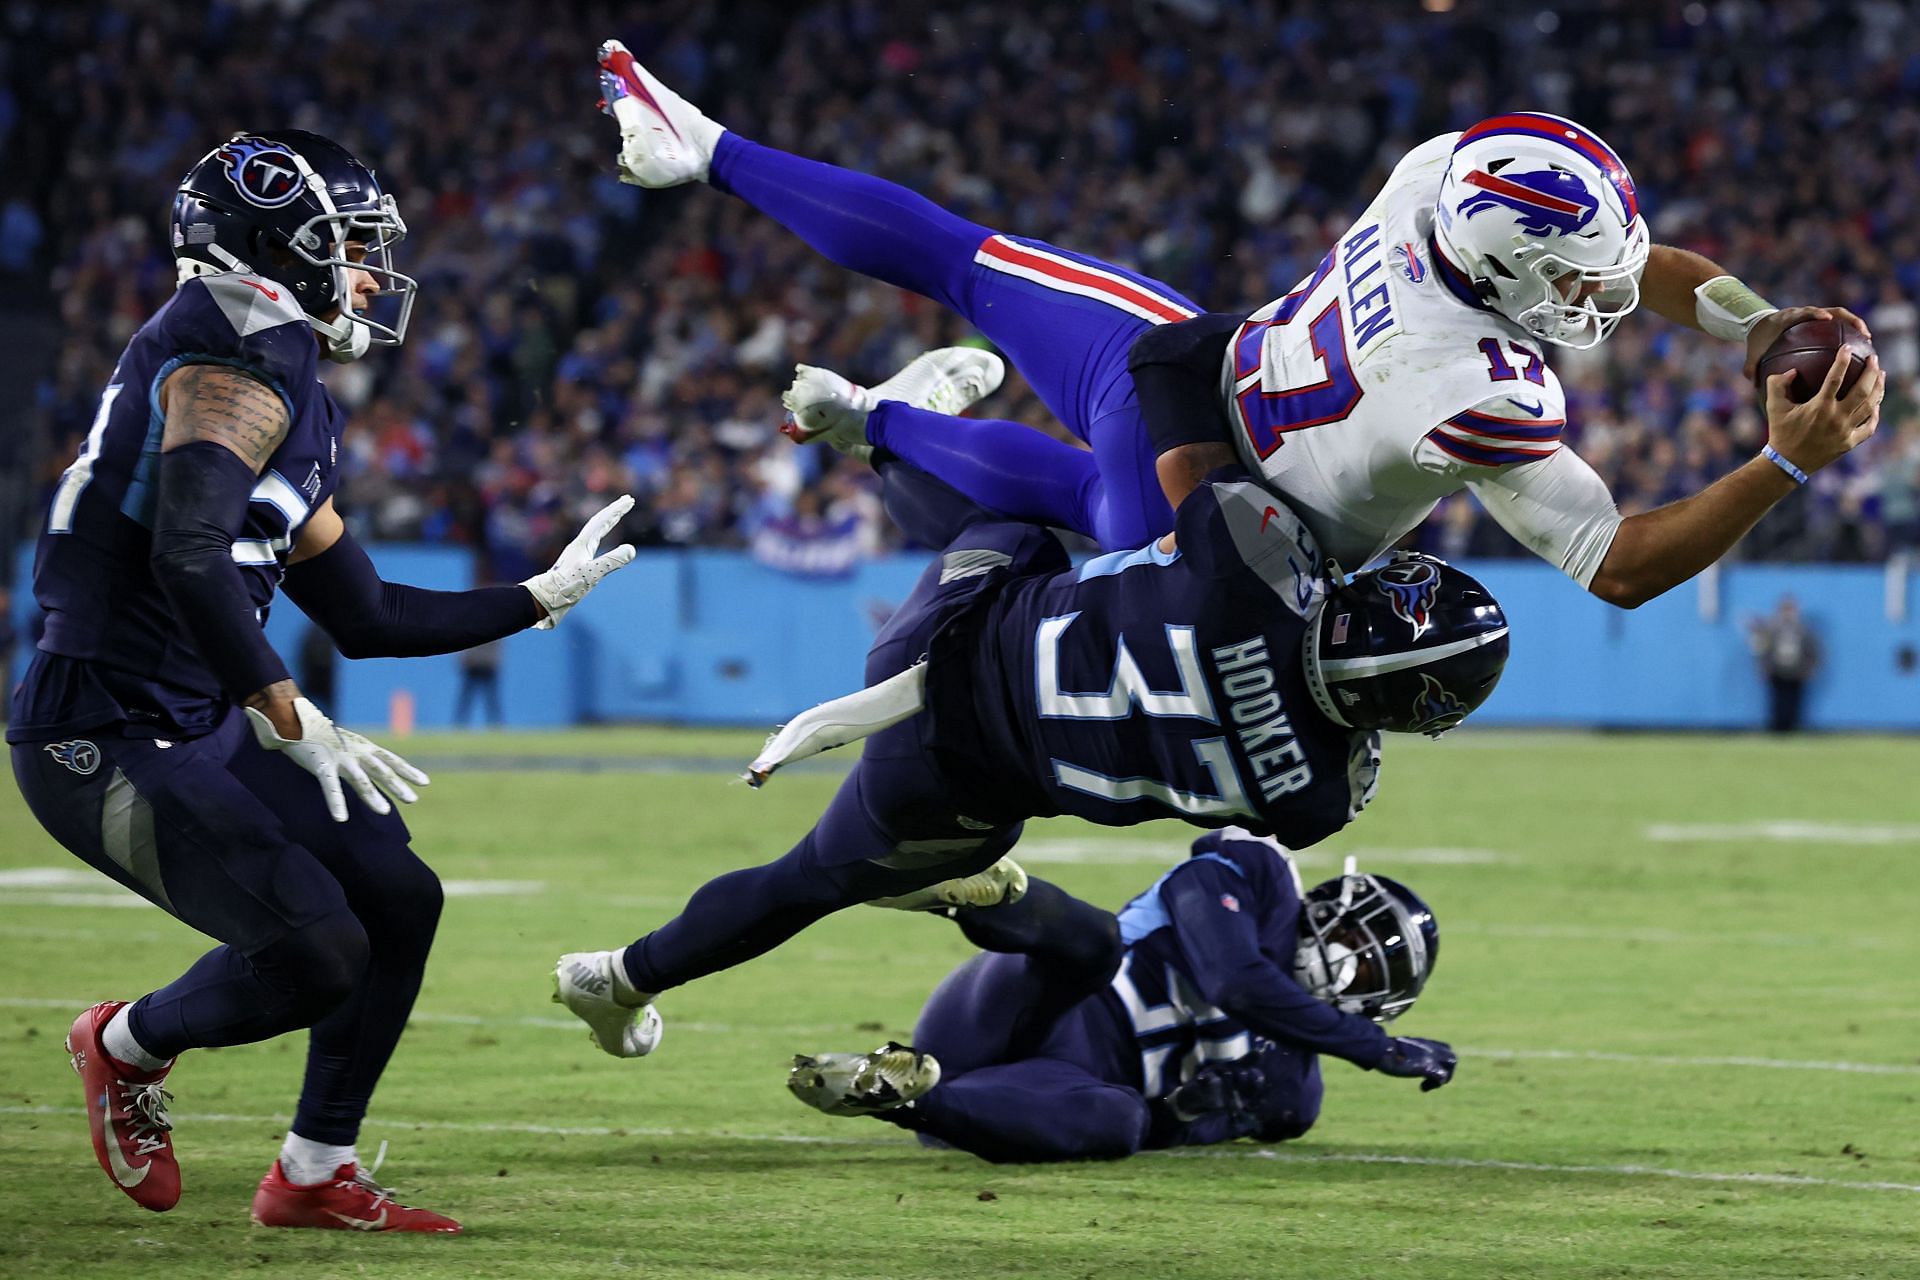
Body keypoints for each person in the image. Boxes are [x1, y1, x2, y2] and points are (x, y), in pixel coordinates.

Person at [594, 44, 1882, 608]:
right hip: (1206, 512)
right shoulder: (1471, 384)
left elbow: (1636, 265)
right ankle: (878, 419)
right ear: (1500, 271)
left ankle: (702, 146)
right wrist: (1783, 464)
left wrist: (1758, 327)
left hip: (1186, 357)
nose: (1603, 298)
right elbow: (1621, 563)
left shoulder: (1442, 176)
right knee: (1089, 517)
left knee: (964, 255)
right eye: (1575, 283)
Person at [9, 131, 633, 1231]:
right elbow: (187, 553)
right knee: (315, 951)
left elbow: (366, 612)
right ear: (270, 244)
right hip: (100, 728)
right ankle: (121, 1045)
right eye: (346, 244)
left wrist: (533, 597)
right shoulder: (235, 355)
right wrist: (286, 710)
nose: (366, 273)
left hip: (189, 712)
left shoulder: (281, 367)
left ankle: (311, 1171)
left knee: (399, 895)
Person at [552, 427, 1509, 1067]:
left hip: (948, 624)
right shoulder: (1318, 802)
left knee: (1041, 514)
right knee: (812, 878)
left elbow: (1197, 459)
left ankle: (884, 434)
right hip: (961, 792)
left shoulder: (1257, 564)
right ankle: (619, 977)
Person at [786, 827, 1453, 1162]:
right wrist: (1376, 1049)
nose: (1341, 961)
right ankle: (971, 894)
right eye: (1347, 936)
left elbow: (1162, 1128)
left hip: (1051, 1086)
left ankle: (900, 1094)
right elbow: (1233, 980)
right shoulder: (1252, 877)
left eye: (1366, 972)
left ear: (1376, 1001)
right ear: (1325, 903)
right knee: (1096, 947)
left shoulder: (1293, 1093)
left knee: (1122, 1124)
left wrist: (1186, 1113)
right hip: (1023, 1004)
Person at [1749, 595, 1821, 733]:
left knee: (1794, 702)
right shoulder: (1772, 629)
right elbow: (1763, 649)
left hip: (1797, 672)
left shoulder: (1803, 630)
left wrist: (1810, 669)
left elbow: (1813, 651)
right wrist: (1764, 667)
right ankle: (1777, 728)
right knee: (1778, 701)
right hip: (1777, 672)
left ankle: (1793, 728)